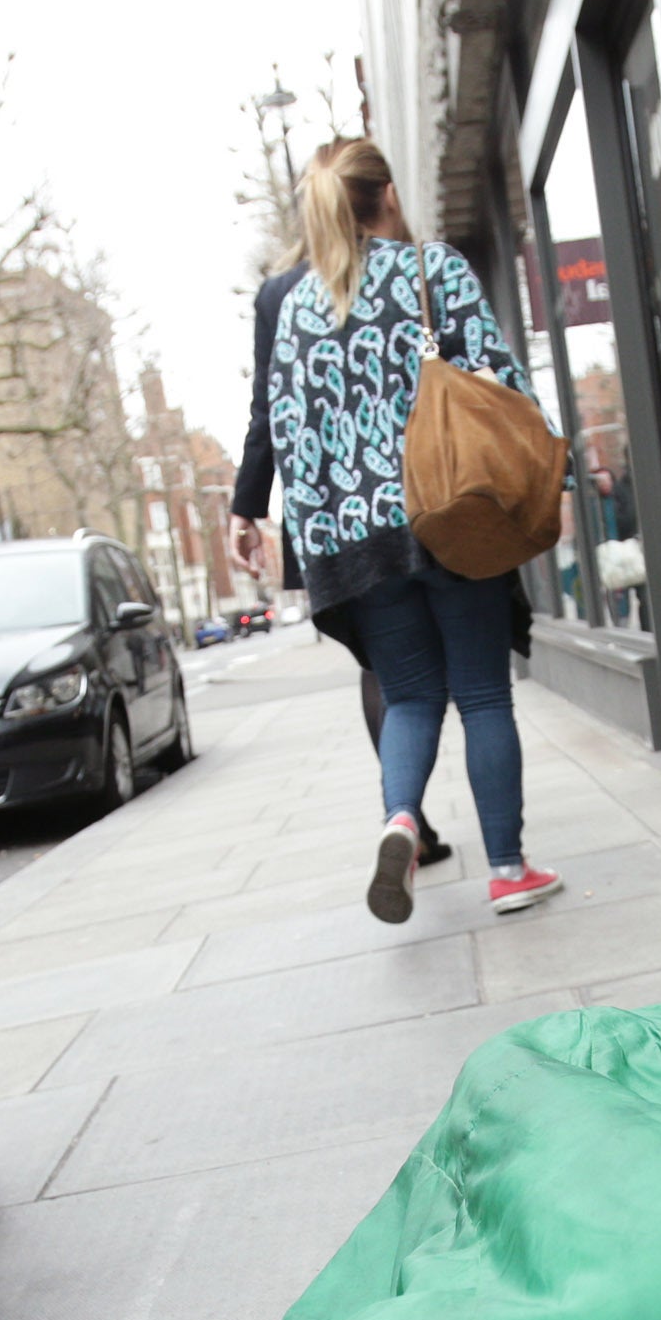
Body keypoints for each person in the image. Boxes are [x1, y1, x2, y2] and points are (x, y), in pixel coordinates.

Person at [229, 139, 562, 923]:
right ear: (386, 196)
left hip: (353, 543)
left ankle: (402, 822)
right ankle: (508, 870)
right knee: (482, 696)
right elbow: (500, 381)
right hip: (447, 511)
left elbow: (281, 429)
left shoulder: (295, 307)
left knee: (409, 698)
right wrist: (555, 473)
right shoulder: (430, 269)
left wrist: (285, 527)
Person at [228, 233, 450, 874]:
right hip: (431, 488)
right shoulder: (406, 265)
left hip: (332, 515)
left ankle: (406, 818)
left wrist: (247, 506)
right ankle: (503, 854)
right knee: (476, 678)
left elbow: (268, 410)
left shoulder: (279, 293)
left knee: (387, 672)